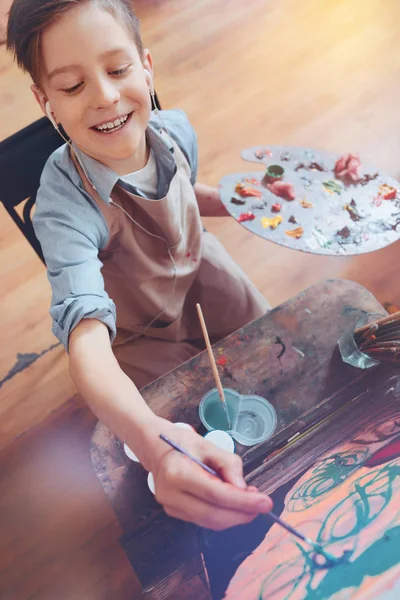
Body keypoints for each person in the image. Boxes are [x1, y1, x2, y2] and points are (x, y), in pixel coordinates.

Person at [7, 0, 272, 530]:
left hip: (202, 272)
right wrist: (156, 448)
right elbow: (85, 339)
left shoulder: (174, 130)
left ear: (146, 66)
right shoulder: (61, 209)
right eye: (72, 85)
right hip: (139, 329)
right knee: (189, 419)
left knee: (270, 353)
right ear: (46, 102)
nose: (105, 97)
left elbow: (184, 193)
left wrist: (248, 200)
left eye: (118, 69)